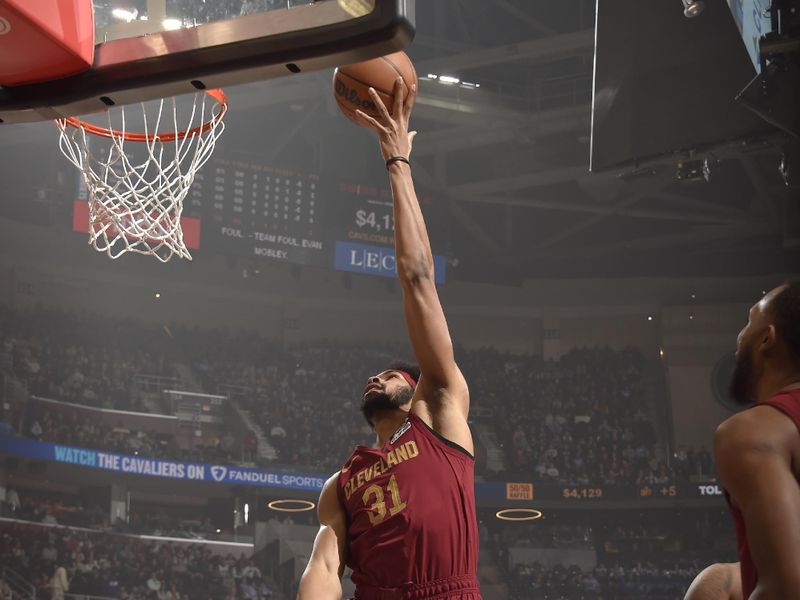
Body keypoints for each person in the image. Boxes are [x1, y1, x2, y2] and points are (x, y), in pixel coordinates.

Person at [297, 79, 481, 600]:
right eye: (377, 375)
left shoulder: (440, 413)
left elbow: (418, 277)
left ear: (419, 387)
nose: (375, 377)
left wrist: (397, 163)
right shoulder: (343, 483)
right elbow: (326, 563)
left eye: (391, 374)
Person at [714, 281, 800, 598]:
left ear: (767, 338)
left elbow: (786, 588)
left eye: (749, 321)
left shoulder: (756, 431)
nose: (739, 338)